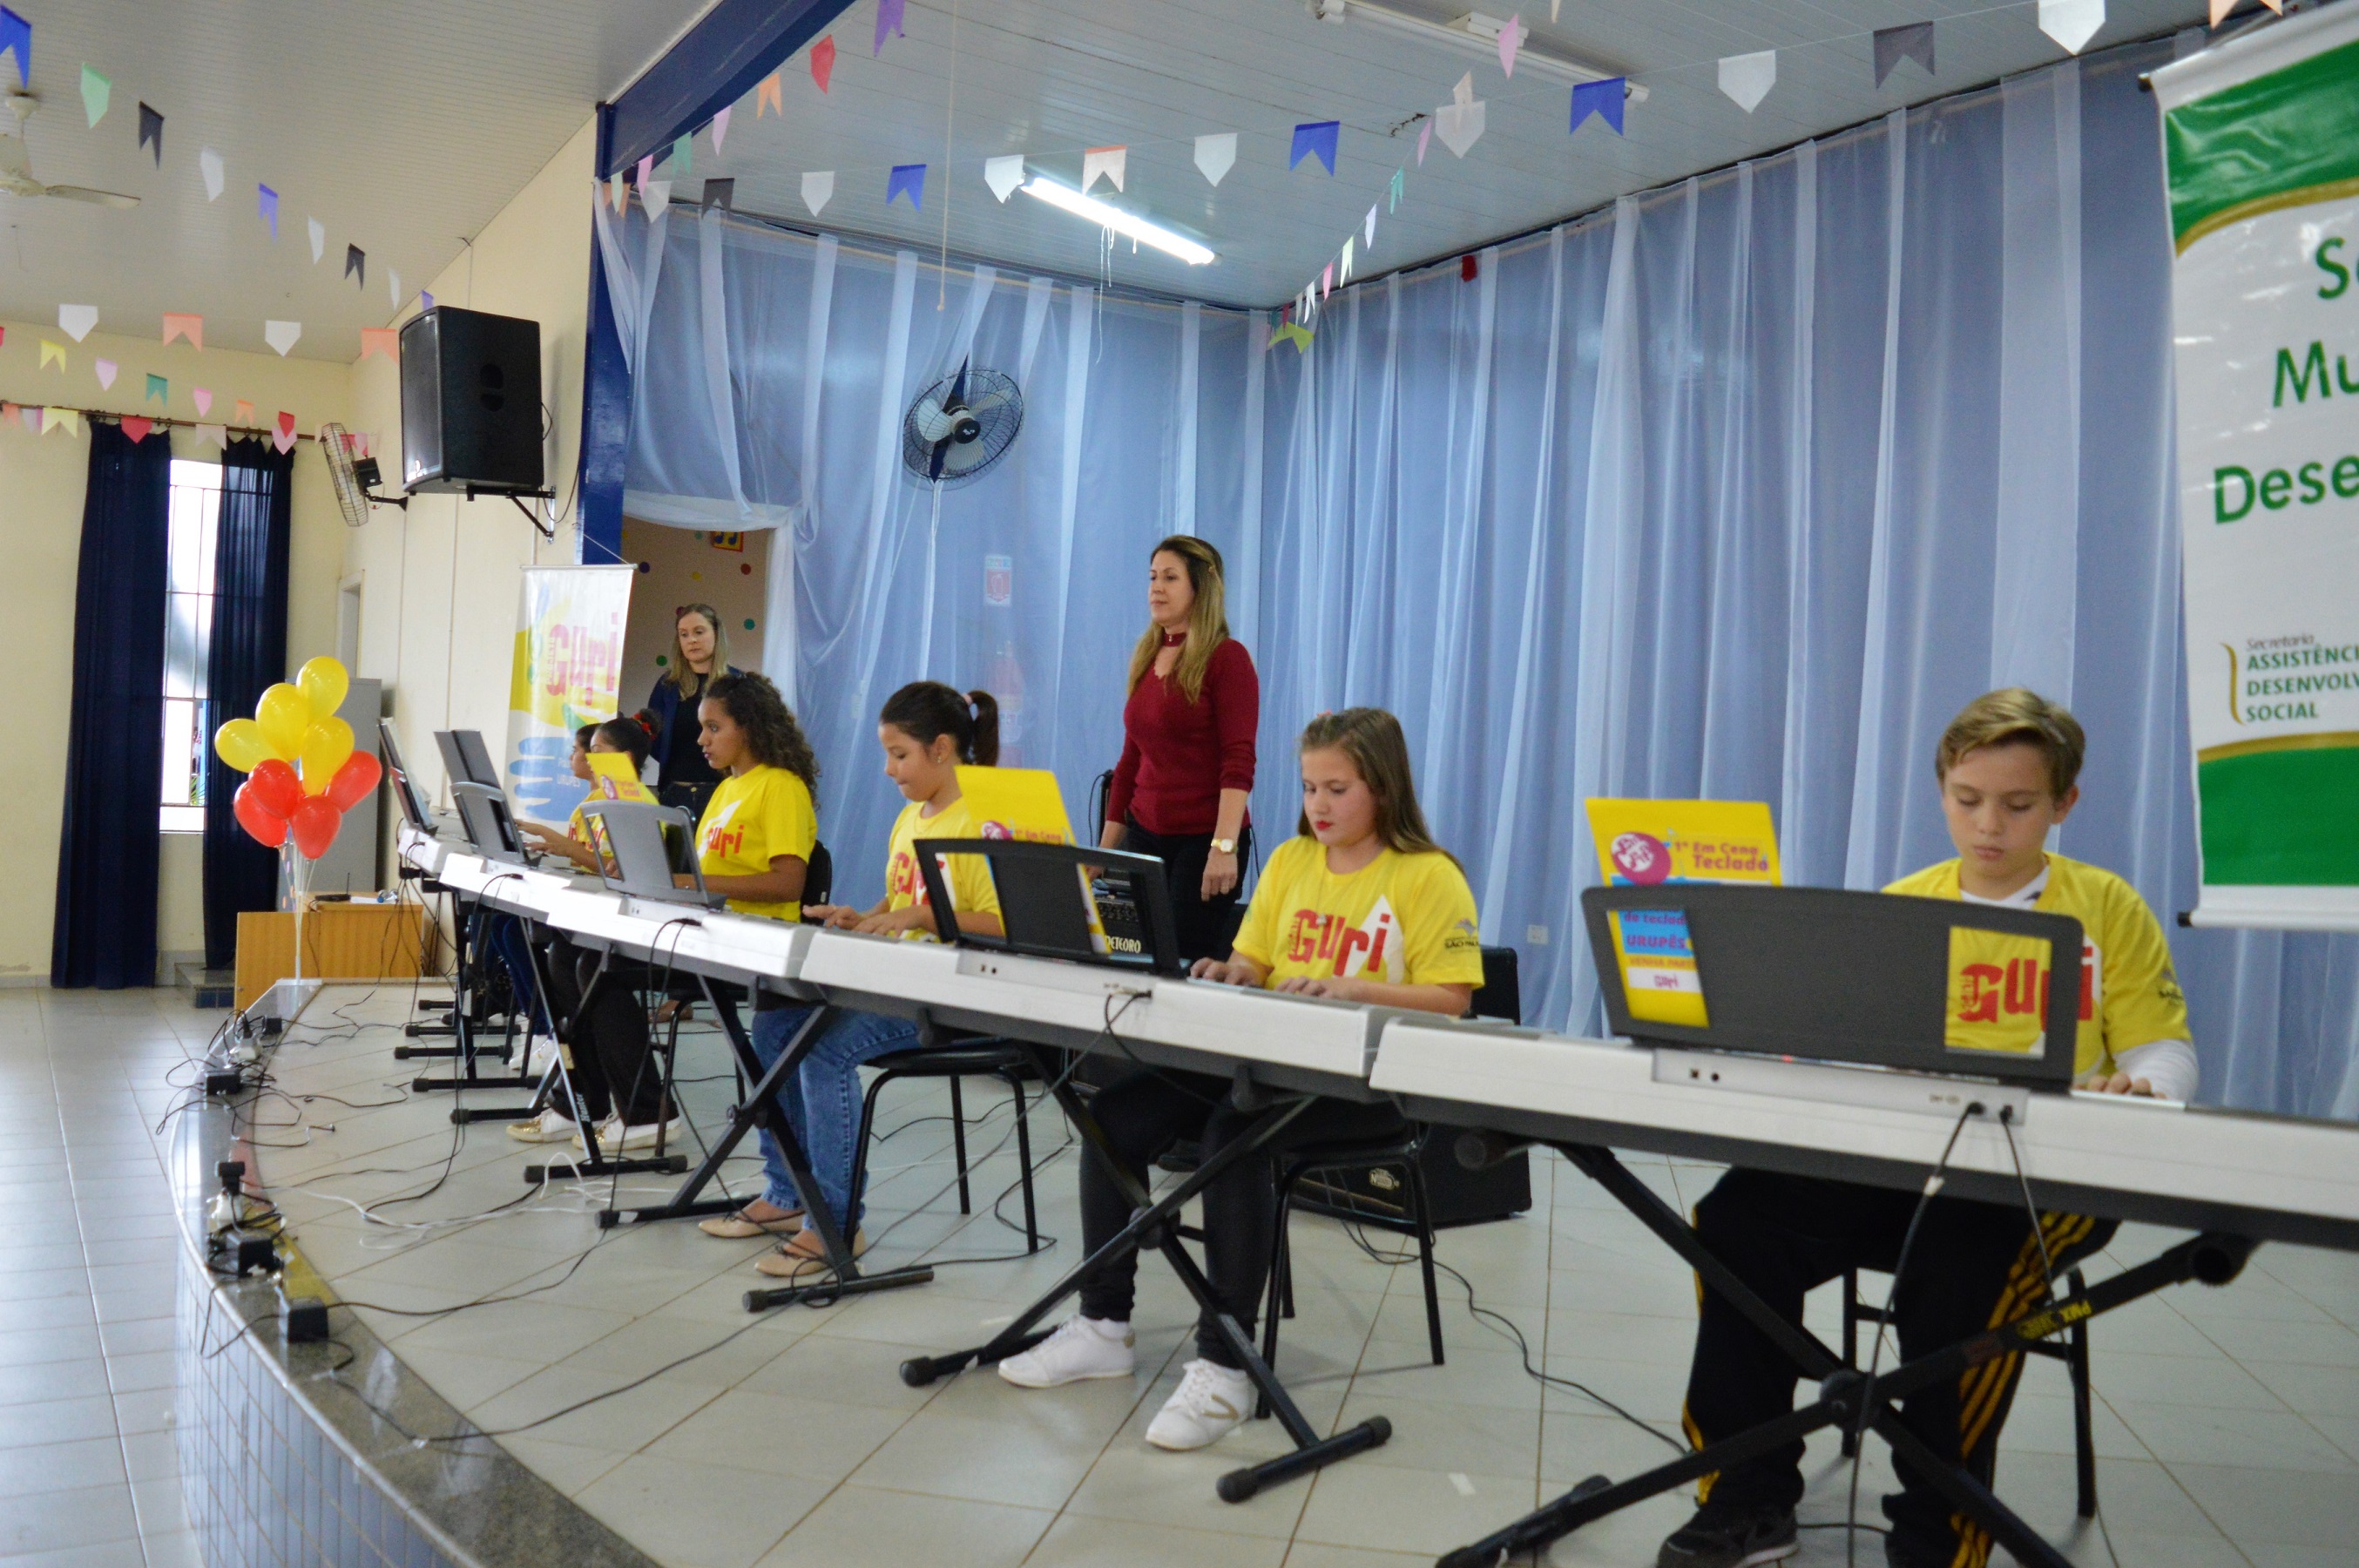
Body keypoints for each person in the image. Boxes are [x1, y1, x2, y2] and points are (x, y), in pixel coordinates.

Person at [1656, 688, 2196, 1568]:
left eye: (2018, 806)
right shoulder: (1904, 904)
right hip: (1904, 1161)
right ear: (1940, 789)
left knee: (1958, 1269)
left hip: (2047, 1177)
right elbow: (1858, 1055)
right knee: (1736, 1221)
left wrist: (2139, 1088)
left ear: (2063, 804)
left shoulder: (2103, 906)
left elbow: (2161, 1047)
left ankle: (1940, 1535)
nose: (1987, 825)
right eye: (1966, 799)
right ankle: (1744, 1497)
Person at [999, 707, 1483, 1453]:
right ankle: (1103, 1324)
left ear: (1383, 789)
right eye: (1310, 787)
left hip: (1365, 1090)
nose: (1318, 805)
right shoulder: (1290, 862)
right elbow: (1257, 960)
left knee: (1234, 1132)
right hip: (1265, 1064)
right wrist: (1235, 971)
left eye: (1338, 788)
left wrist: (1357, 989)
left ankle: (1225, 1364)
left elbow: (1453, 1000)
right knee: (1116, 1116)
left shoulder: (1428, 876)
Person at [720, 682, 1006, 1279]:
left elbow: (1006, 926)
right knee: (776, 1027)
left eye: (900, 754)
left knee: (825, 1052)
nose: (888, 769)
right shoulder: (910, 818)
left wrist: (920, 917)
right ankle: (786, 1190)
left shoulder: (986, 820)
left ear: (943, 749)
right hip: (902, 982)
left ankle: (835, 1224)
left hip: (957, 997)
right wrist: (868, 918)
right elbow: (906, 901)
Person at [512, 673, 819, 1157]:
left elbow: (787, 884)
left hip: (750, 943)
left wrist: (687, 884)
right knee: (566, 953)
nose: (701, 740)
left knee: (598, 969)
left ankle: (646, 1114)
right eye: (702, 728)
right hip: (700, 929)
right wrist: (647, 872)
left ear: (751, 728)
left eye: (713, 728)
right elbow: (693, 870)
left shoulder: (780, 788)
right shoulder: (727, 790)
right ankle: (585, 1101)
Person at [1100, 536, 1260, 964]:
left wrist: (1222, 849)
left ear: (1200, 588)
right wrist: (1102, 854)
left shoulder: (1228, 659)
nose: (1156, 588)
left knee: (1180, 960)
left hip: (1204, 841)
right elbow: (1130, 763)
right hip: (1146, 834)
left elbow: (1238, 762)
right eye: (1153, 577)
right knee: (1140, 959)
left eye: (1170, 577)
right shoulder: (1148, 656)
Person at [518, 715, 657, 873]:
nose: (589, 761)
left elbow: (625, 870)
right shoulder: (599, 797)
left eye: (596, 752)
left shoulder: (640, 804)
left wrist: (570, 850)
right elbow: (584, 855)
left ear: (625, 757)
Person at [646, 602, 731, 819]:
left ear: (716, 634)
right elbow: (652, 737)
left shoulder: (735, 683)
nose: (691, 640)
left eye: (699, 632)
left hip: (724, 791)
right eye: (684, 635)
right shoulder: (667, 685)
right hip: (673, 791)